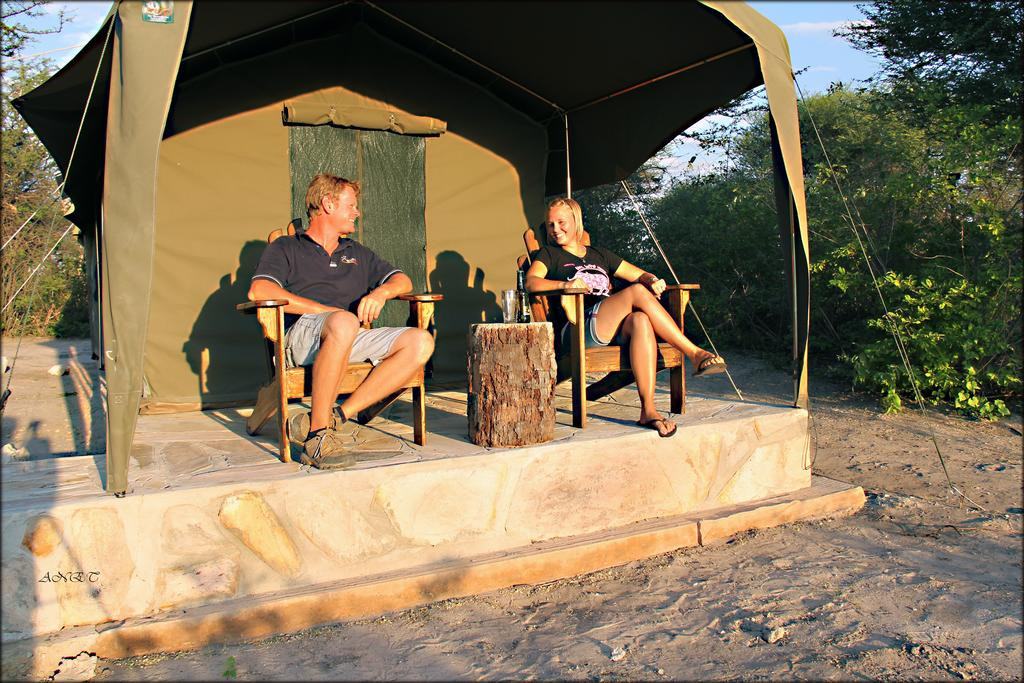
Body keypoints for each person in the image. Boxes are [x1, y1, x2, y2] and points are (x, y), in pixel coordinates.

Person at [249, 174, 434, 468]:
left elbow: (403, 280)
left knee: (420, 341)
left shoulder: (356, 253)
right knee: (344, 322)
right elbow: (260, 290)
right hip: (302, 339)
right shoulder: (287, 247)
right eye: (351, 205)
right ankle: (318, 437)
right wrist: (325, 312)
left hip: (348, 333)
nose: (357, 213)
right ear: (327, 204)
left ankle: (338, 416)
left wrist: (382, 293)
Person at [525, 197, 726, 438]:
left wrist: (652, 280)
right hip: (577, 327)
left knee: (640, 320)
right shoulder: (549, 254)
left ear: (576, 221)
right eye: (550, 225)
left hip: (607, 325)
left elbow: (640, 275)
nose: (556, 229)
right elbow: (531, 282)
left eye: (561, 222)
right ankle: (694, 353)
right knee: (637, 293)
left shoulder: (600, 255)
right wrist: (565, 284)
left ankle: (648, 411)